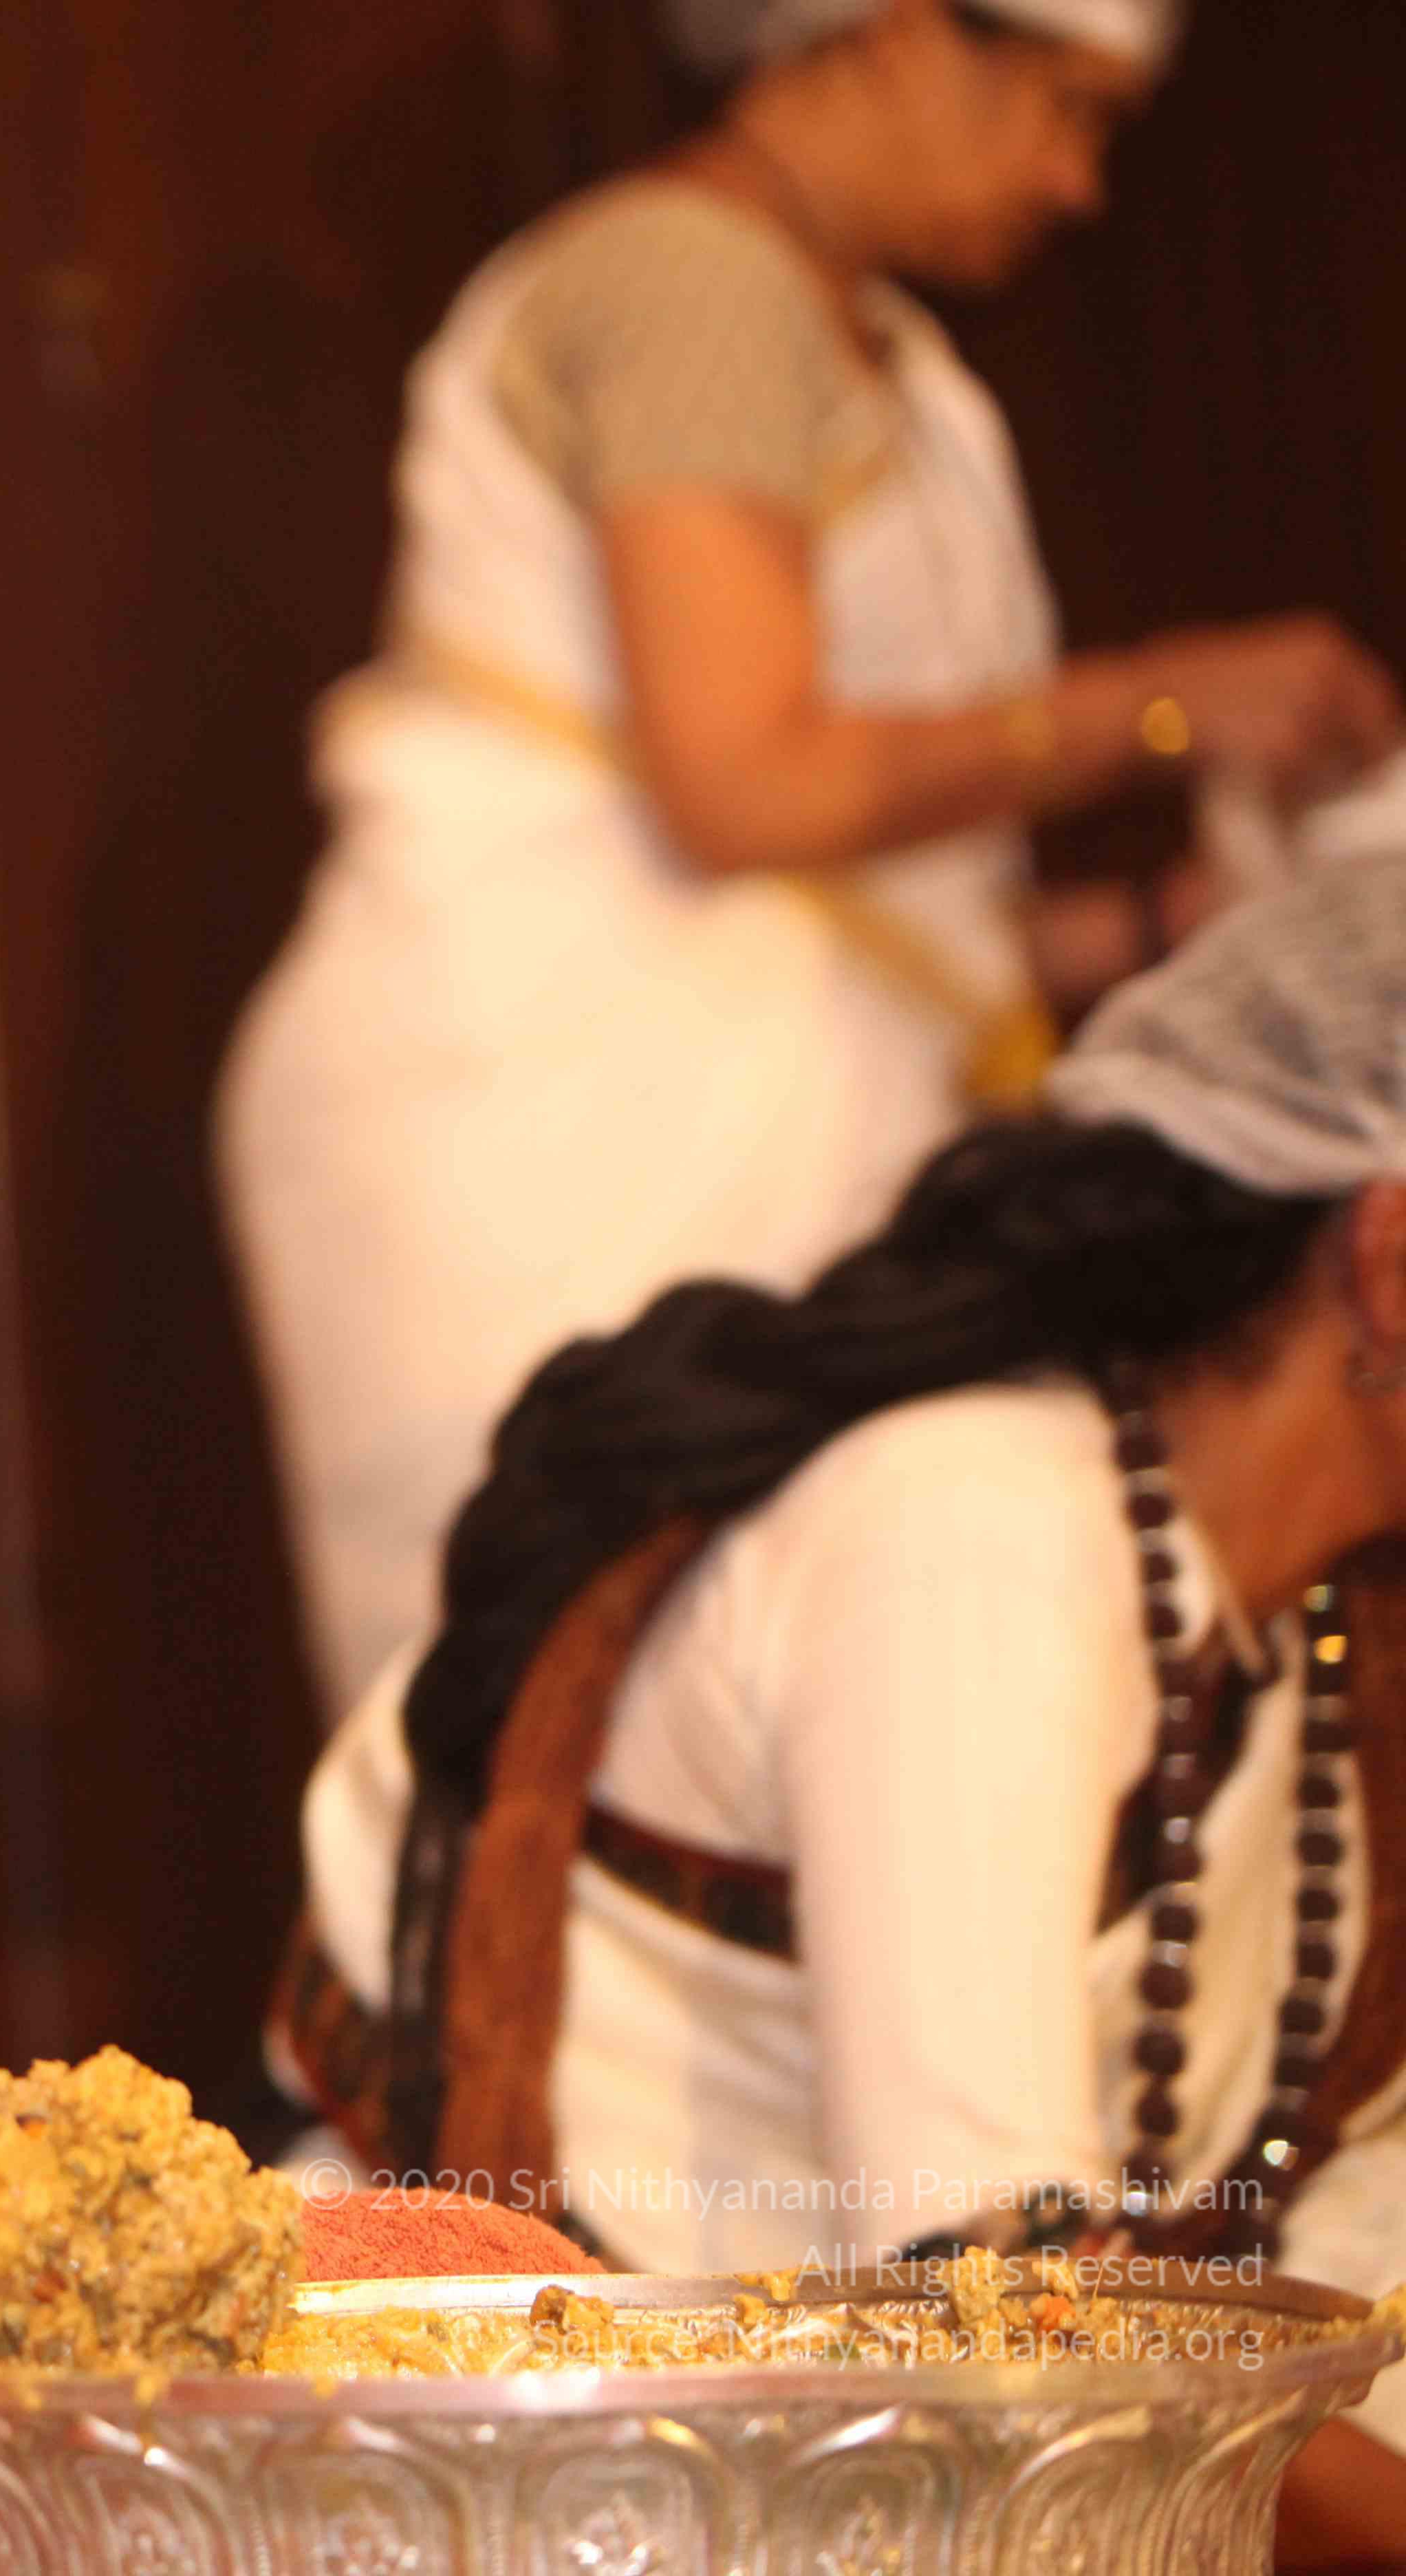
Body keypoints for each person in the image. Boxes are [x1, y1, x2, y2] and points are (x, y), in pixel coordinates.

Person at [216, 0, 1406, 1717]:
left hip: (734, 1116)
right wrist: (1166, 704)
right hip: (555, 1133)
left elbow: (856, 901)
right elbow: (743, 783)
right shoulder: (686, 280)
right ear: (897, 34)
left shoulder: (885, 354)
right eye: (1062, 109)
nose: (1076, 183)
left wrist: (1164, 928)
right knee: (571, 1746)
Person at [277, 850, 1406, 2563]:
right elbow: (1006, 2339)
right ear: (1390, 1259)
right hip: (507, 2494)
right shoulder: (976, 1536)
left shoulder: (1309, 1636)